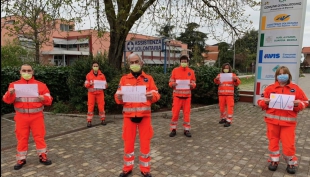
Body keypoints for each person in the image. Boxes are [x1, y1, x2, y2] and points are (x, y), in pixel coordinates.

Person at [114, 53, 160, 177]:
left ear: (141, 63)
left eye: (136, 62)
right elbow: (117, 96)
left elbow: (156, 94)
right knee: (128, 143)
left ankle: (145, 170)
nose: (134, 64)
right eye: (132, 62)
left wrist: (153, 96)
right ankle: (127, 168)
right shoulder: (124, 79)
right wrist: (118, 97)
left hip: (144, 117)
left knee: (145, 143)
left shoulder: (148, 79)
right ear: (129, 65)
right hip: (129, 117)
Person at [257, 66, 309, 174]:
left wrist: (298, 104)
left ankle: (291, 162)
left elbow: (306, 102)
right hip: (272, 122)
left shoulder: (295, 88)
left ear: (288, 75)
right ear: (276, 76)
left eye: (284, 73)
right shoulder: (270, 88)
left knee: (289, 144)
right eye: (279, 74)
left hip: (288, 123)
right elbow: (260, 102)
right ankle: (274, 160)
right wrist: (264, 102)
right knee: (273, 141)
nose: (282, 76)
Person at [2, 64, 53, 170]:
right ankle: (21, 159)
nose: (27, 72)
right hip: (21, 117)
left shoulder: (41, 85)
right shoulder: (14, 85)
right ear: (20, 72)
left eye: (29, 70)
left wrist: (43, 97)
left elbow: (49, 99)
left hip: (37, 116)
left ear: (32, 72)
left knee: (39, 137)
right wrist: (10, 93)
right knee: (22, 138)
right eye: (24, 70)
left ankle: (43, 156)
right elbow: (7, 100)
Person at [168, 55, 196, 137]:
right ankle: (173, 129)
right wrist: (172, 84)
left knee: (187, 114)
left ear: (187, 62)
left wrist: (192, 85)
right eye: (182, 61)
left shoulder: (191, 71)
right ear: (180, 62)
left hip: (187, 97)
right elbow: (170, 81)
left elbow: (194, 82)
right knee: (175, 114)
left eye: (185, 61)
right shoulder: (175, 71)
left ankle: (186, 130)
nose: (184, 63)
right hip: (177, 96)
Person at [214, 63, 241, 127]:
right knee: (222, 108)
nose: (226, 69)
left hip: (229, 95)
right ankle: (223, 118)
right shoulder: (220, 75)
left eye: (227, 68)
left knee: (229, 108)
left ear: (229, 69)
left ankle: (229, 120)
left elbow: (238, 83)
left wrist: (235, 80)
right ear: (223, 69)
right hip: (221, 94)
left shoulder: (233, 75)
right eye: (225, 68)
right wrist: (216, 79)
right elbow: (216, 82)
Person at [84, 61, 108, 127]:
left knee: (101, 106)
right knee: (90, 107)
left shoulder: (102, 75)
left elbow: (105, 85)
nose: (95, 67)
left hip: (100, 93)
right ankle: (89, 121)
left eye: (96, 66)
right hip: (91, 94)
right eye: (94, 66)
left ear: (98, 67)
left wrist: (105, 85)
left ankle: (103, 119)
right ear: (92, 67)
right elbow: (85, 85)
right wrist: (90, 84)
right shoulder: (88, 75)